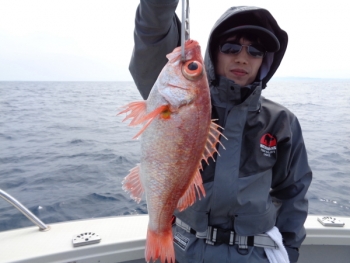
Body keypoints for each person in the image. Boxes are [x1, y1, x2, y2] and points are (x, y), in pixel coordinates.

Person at [129, 1, 312, 262]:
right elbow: (153, 33)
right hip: (185, 249)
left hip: (255, 254)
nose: (242, 57)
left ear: (265, 61)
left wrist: (291, 250)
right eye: (230, 47)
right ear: (214, 53)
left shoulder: (282, 121)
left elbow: (294, 192)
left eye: (256, 51)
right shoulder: (185, 100)